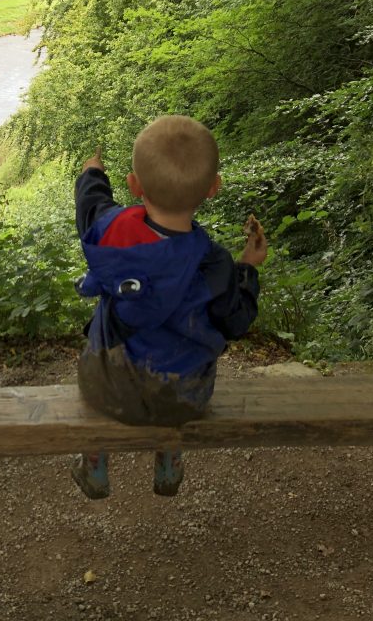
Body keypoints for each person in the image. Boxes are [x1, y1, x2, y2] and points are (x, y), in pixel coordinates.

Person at [71, 115, 267, 498]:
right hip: (183, 396)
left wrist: (93, 172)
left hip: (107, 387)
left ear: (134, 185)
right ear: (214, 188)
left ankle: (95, 463)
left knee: (107, 323)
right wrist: (247, 269)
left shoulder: (110, 230)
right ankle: (168, 458)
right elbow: (237, 321)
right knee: (175, 354)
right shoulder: (214, 266)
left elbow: (91, 204)